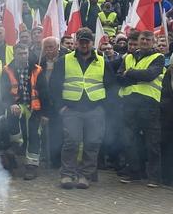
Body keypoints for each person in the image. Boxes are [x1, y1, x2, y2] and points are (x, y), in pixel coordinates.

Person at [50, 28, 114, 189]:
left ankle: (85, 176)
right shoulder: (64, 60)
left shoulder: (102, 61)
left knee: (92, 143)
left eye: (87, 41)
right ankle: (67, 175)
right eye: (82, 41)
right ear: (77, 42)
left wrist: (105, 108)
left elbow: (110, 86)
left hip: (95, 109)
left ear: (92, 43)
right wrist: (60, 108)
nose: (84, 44)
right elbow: (54, 86)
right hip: (71, 108)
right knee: (71, 142)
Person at [117, 30, 165, 187]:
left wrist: (129, 73)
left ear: (153, 42)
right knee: (129, 140)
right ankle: (135, 173)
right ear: (138, 40)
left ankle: (154, 177)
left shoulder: (158, 57)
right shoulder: (128, 57)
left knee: (152, 142)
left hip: (149, 104)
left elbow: (150, 75)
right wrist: (134, 76)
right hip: (129, 104)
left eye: (148, 39)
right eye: (142, 39)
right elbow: (119, 78)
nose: (145, 42)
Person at [0, 42, 47, 179]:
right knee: (12, 119)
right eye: (20, 53)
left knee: (34, 134)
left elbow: (44, 92)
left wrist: (45, 113)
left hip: (34, 108)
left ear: (28, 53)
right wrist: (10, 104)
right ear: (14, 54)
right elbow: (3, 93)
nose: (23, 56)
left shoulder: (37, 69)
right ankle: (15, 148)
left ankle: (31, 166)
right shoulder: (7, 70)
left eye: (25, 53)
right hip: (17, 106)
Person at [39, 37, 65, 168]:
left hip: (61, 101)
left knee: (60, 132)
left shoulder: (64, 60)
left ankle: (60, 160)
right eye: (46, 47)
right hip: (46, 100)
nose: (48, 50)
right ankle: (51, 158)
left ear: (57, 47)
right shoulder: (40, 62)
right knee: (48, 132)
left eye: (51, 47)